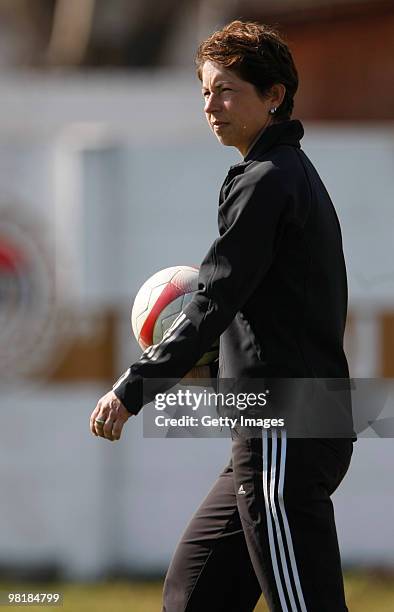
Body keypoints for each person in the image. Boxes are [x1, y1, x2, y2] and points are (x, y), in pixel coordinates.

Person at [90, 20, 354, 611]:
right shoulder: (284, 177)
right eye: (206, 90)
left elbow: (213, 298)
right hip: (272, 431)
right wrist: (214, 369)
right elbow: (266, 313)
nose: (211, 105)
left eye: (228, 89)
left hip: (283, 432)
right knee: (193, 594)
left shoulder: (268, 181)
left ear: (274, 96)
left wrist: (135, 388)